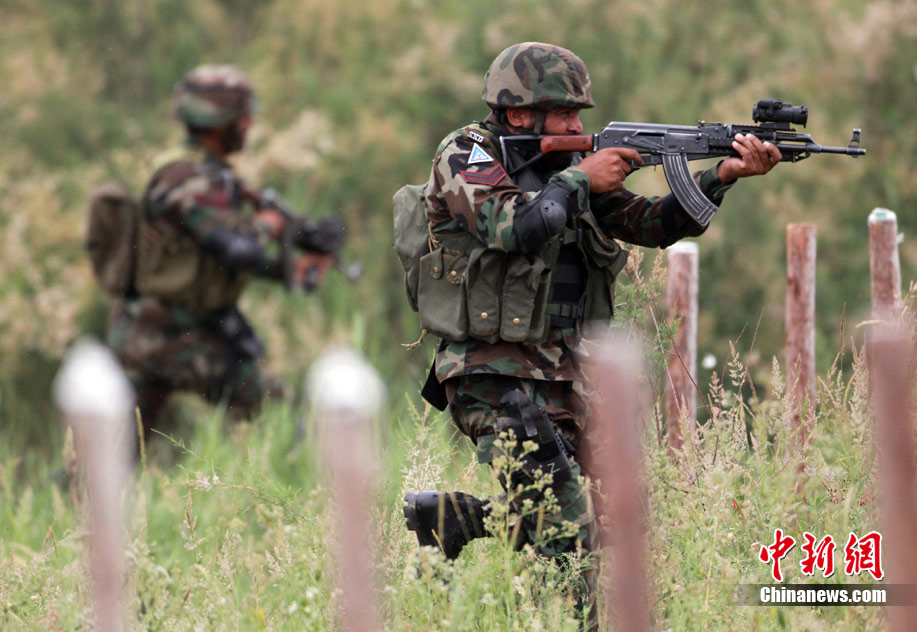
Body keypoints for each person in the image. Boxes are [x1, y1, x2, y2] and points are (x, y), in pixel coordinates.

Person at [401, 42, 781, 624]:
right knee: (572, 541)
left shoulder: (564, 169)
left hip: (570, 382)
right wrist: (579, 177)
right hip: (493, 377)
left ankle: (454, 518)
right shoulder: (467, 151)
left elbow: (652, 225)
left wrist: (723, 174)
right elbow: (511, 227)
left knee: (615, 521)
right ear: (523, 113)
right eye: (568, 114)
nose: (581, 126)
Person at [107, 65, 342, 436]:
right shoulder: (185, 179)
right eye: (243, 117)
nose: (249, 124)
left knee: (107, 454)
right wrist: (269, 224)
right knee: (284, 424)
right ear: (220, 122)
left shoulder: (209, 175)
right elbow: (234, 249)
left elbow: (210, 256)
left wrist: (290, 270)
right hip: (166, 338)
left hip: (168, 332)